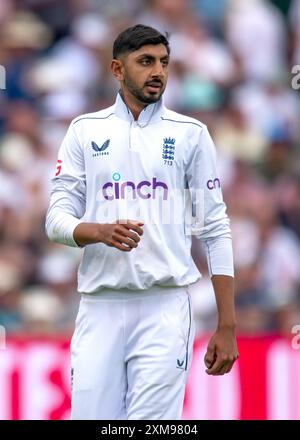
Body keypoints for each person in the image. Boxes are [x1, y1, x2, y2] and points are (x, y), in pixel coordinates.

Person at [45, 24, 238, 420]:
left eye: (164, 62)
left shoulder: (191, 135)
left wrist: (227, 324)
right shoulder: (85, 130)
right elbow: (55, 220)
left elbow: (215, 229)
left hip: (165, 306)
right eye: (145, 62)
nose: (158, 72)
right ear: (117, 69)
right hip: (99, 305)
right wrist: (97, 231)